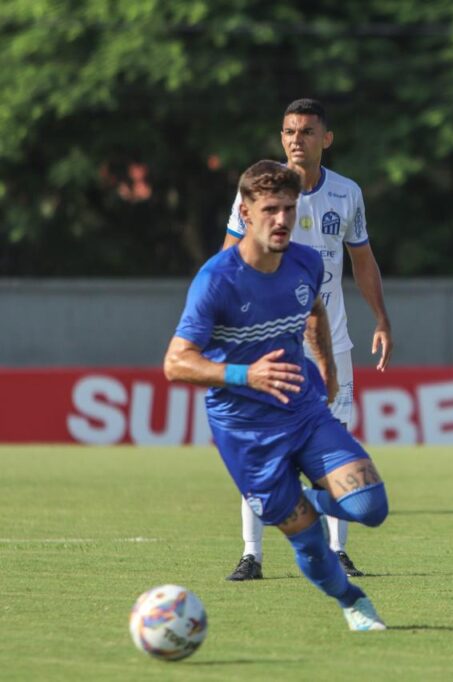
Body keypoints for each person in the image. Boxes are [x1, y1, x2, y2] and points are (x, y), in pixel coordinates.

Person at [165, 160, 389, 631]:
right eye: (270, 210)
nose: (282, 220)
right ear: (245, 213)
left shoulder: (305, 261)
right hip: (246, 433)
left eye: (288, 208)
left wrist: (326, 370)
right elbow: (176, 362)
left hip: (303, 411)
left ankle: (295, 500)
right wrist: (247, 375)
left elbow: (313, 311)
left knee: (371, 507)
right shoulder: (217, 280)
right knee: (309, 545)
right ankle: (352, 601)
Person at [222, 98, 392, 581]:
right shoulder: (257, 189)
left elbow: (361, 261)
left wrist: (381, 317)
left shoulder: (347, 193)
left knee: (336, 448)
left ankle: (338, 551)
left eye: (307, 131)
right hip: (268, 346)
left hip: (331, 346)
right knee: (261, 447)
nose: (297, 139)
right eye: (290, 131)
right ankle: (251, 554)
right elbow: (228, 258)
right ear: (282, 138)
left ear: (326, 139)